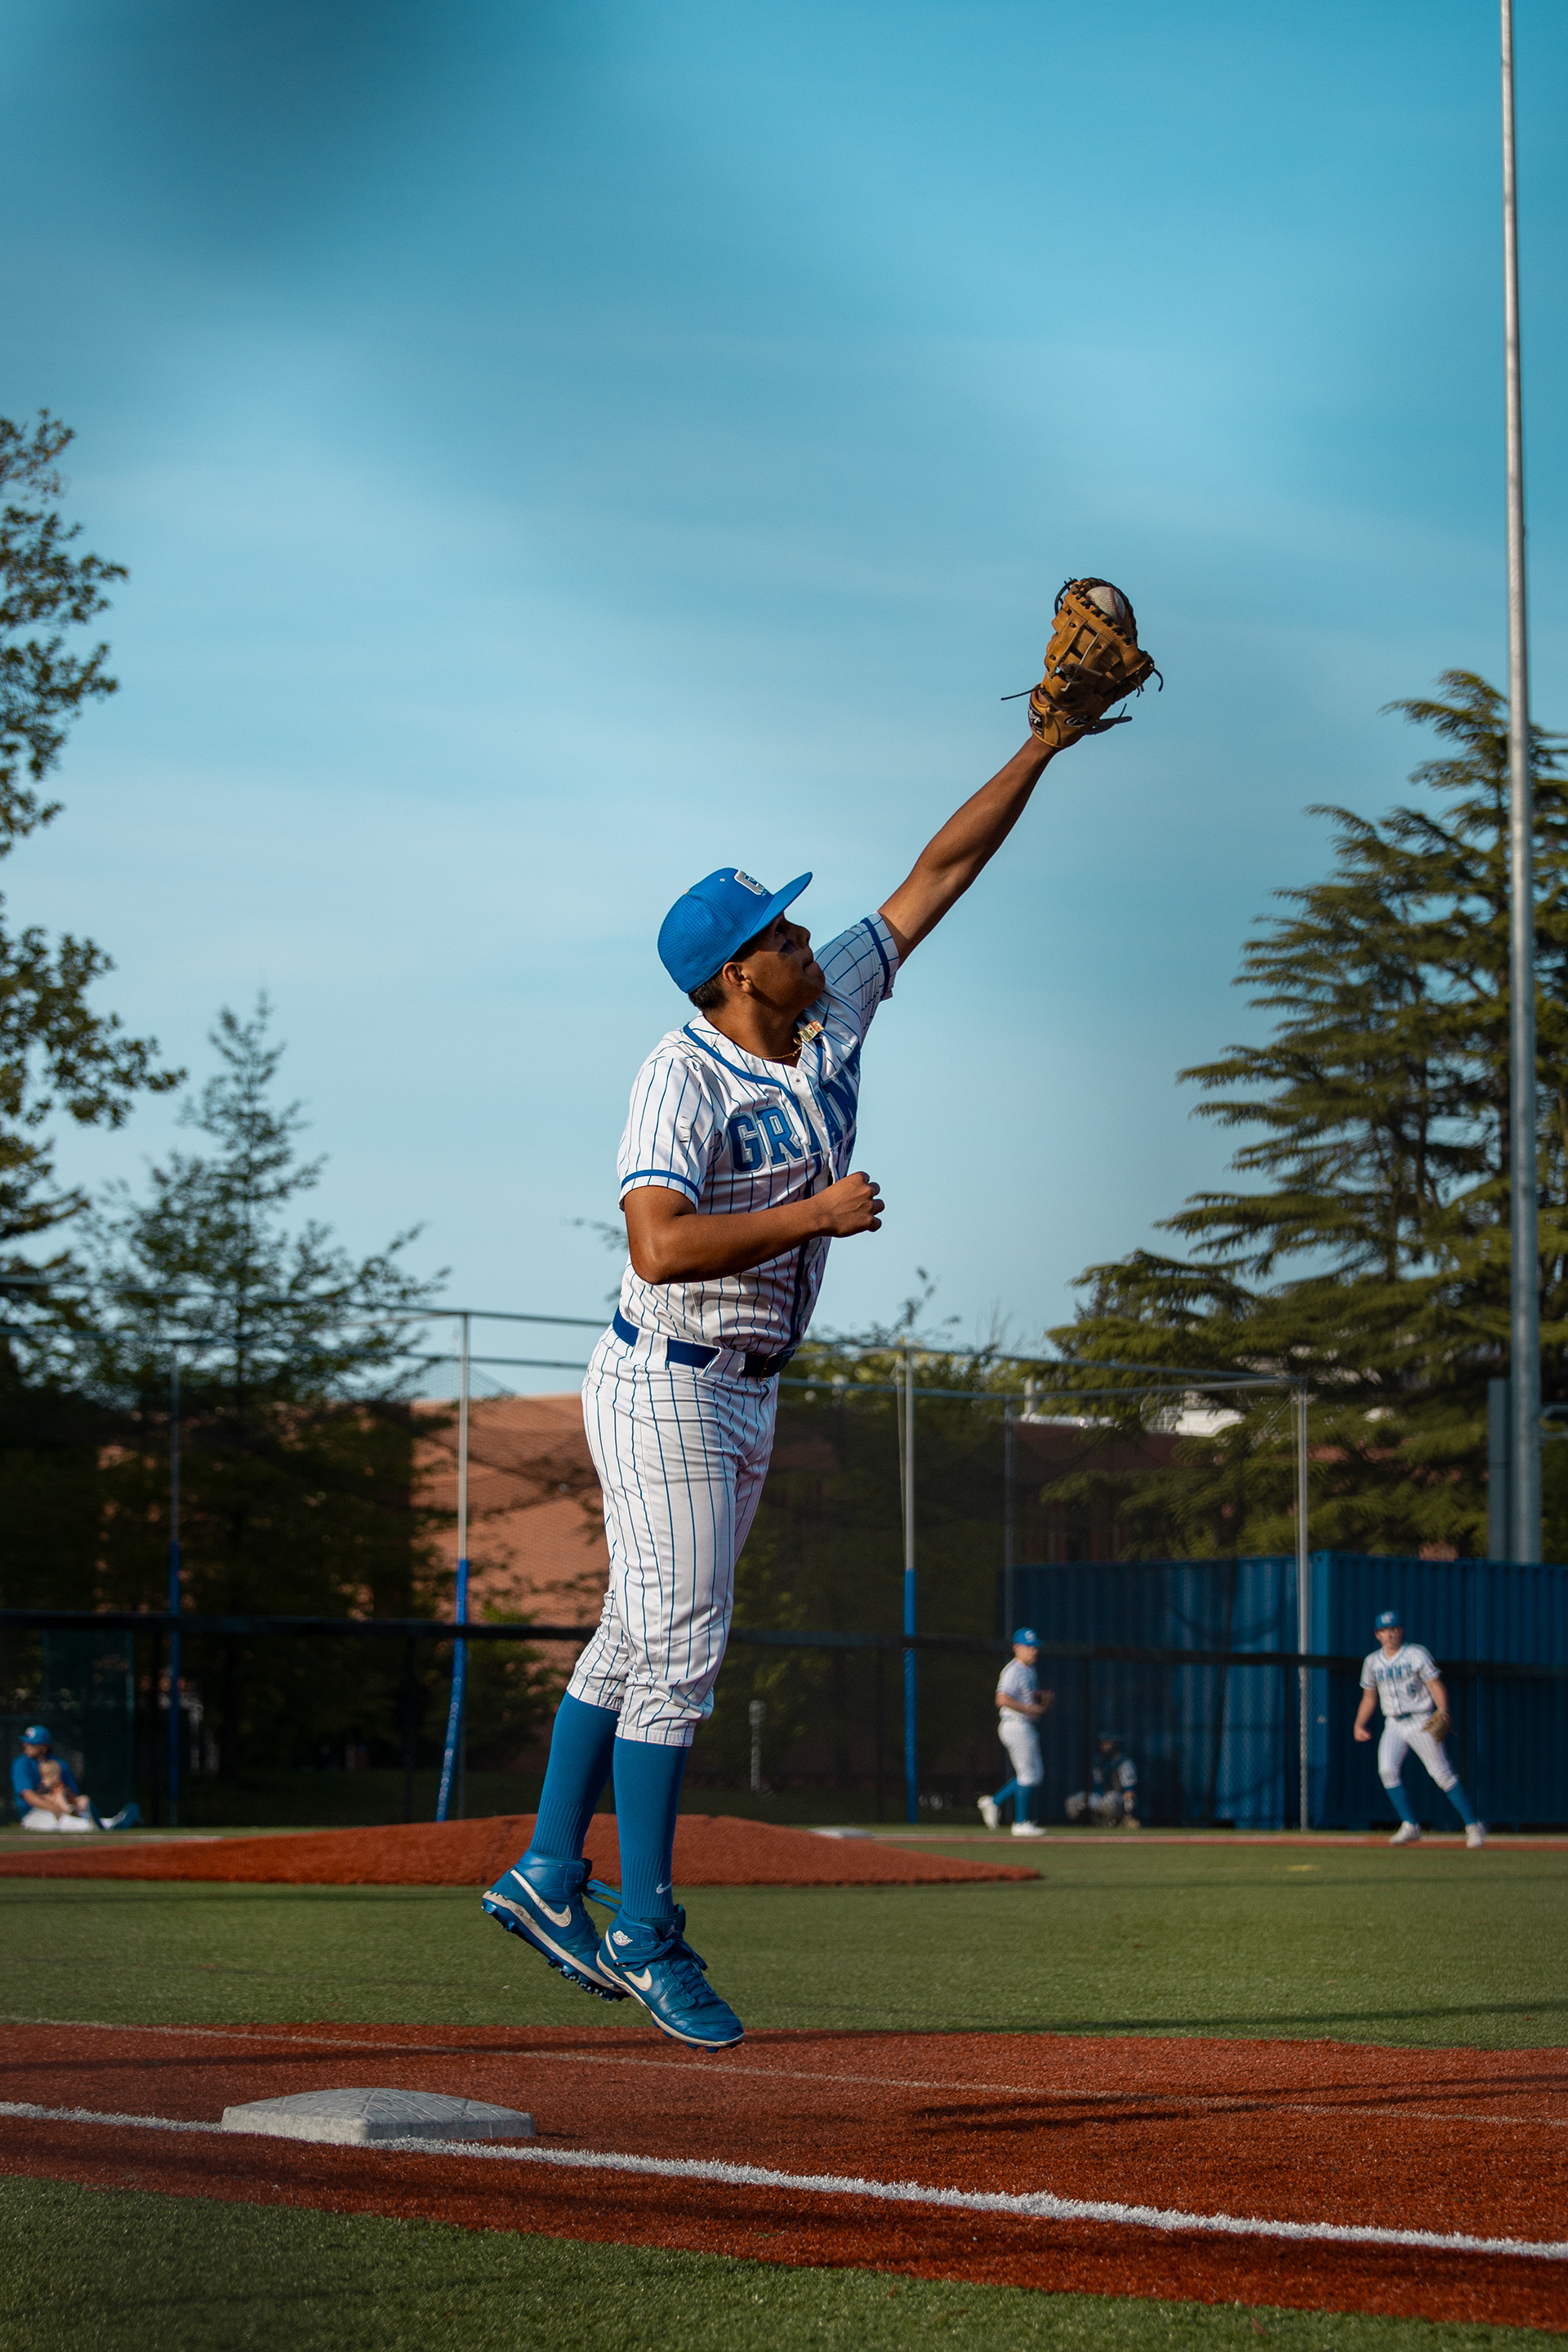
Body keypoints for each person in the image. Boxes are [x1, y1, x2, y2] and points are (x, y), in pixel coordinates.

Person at [484, 724, 1094, 2047]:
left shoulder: (829, 1016)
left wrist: (1046, 740)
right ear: (730, 973)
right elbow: (655, 1241)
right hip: (669, 1379)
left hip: (744, 1386)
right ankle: (644, 1930)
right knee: (681, 1655)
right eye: (779, 933)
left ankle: (546, 1871)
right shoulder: (682, 1071)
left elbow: (938, 874)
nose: (807, 939)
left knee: (638, 1636)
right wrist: (817, 1212)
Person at [1354, 1610, 1486, 1848]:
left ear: (1401, 1631)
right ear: (1377, 1634)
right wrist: (1359, 1724)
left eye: (1394, 1629)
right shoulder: (1372, 1662)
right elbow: (1369, 1697)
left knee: (1442, 1775)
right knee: (1386, 1770)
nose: (1390, 1634)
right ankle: (1410, 1825)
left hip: (1421, 1720)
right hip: (1393, 1723)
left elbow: (1435, 1684)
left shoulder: (1416, 1654)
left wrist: (1443, 1711)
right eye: (1384, 1630)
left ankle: (1473, 1825)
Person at [977, 1628, 1053, 1838]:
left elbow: (1025, 1695)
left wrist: (1037, 1697)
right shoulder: (1014, 1670)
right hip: (1015, 1723)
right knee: (1028, 1774)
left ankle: (994, 1802)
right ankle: (1020, 1823)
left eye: (1035, 1647)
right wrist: (1030, 1708)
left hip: (1023, 1724)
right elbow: (1001, 1699)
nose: (1033, 1651)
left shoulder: (1029, 1671)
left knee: (1035, 1775)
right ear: (1016, 1648)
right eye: (1028, 1647)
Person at [1066, 1731, 1140, 1828]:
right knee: (1074, 1801)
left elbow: (1129, 1789)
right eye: (1103, 1744)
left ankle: (1124, 1820)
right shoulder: (1098, 1762)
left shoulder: (1124, 1762)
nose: (1105, 1747)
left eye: (1108, 1744)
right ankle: (1087, 1823)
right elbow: (1098, 1785)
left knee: (1110, 1800)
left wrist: (1127, 1799)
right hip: (1102, 1796)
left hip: (1119, 1798)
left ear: (1115, 1745)